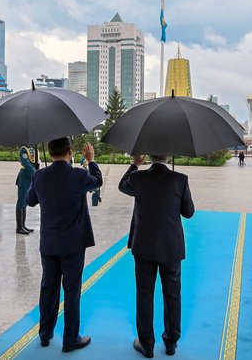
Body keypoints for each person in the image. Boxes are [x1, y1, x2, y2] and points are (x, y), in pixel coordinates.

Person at [26, 138, 102, 352]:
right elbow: (97, 181)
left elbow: (30, 201)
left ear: (50, 153)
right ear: (70, 152)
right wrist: (91, 160)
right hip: (73, 243)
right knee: (71, 291)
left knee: (48, 289)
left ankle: (45, 334)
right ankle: (70, 339)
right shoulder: (78, 175)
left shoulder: (39, 176)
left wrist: (37, 178)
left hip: (49, 243)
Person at [118, 154, 195, 358]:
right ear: (168, 156)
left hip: (144, 246)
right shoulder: (180, 179)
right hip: (171, 247)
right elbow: (189, 212)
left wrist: (134, 164)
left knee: (144, 295)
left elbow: (121, 186)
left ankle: (146, 344)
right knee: (173, 294)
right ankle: (171, 342)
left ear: (149, 157)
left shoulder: (138, 178)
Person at [15, 146, 39, 235]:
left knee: (25, 202)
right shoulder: (23, 150)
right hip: (24, 177)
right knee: (21, 202)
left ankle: (23, 225)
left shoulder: (32, 149)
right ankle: (19, 227)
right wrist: (35, 173)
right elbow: (26, 163)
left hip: (29, 178)